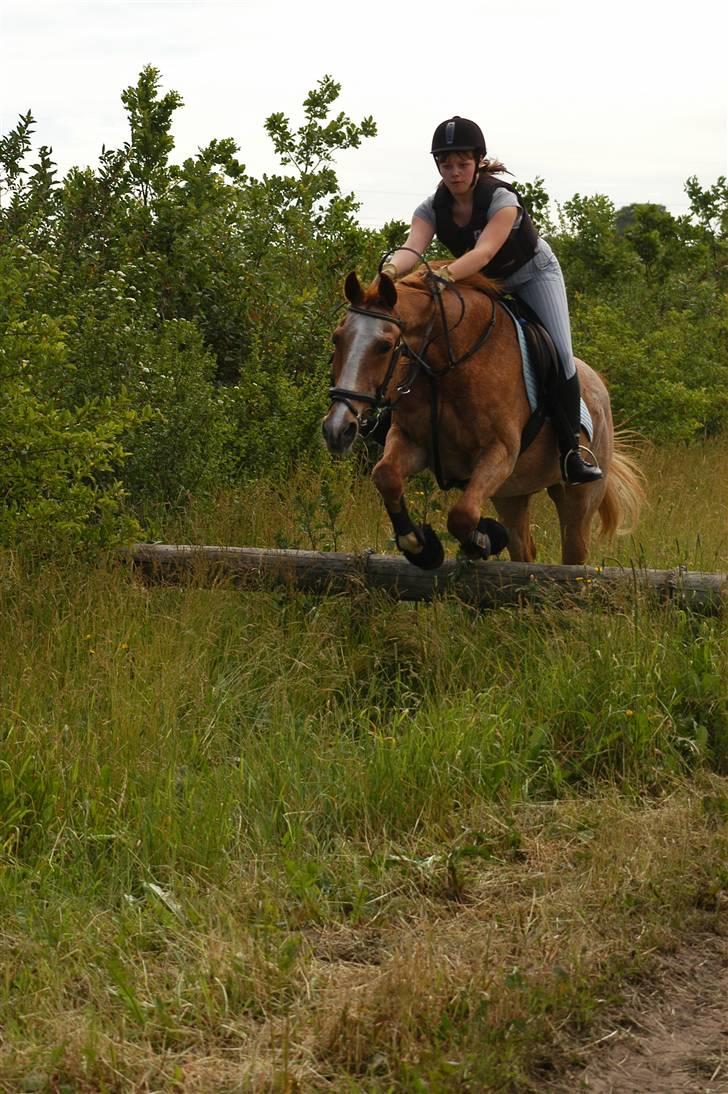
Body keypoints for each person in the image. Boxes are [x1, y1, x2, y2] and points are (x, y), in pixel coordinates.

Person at [381, 116, 602, 485]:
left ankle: (570, 452)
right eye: (445, 164)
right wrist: (388, 270)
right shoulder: (430, 208)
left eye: (462, 164)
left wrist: (446, 274)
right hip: (483, 279)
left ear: (478, 162)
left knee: (561, 354)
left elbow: (483, 253)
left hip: (532, 274)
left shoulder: (502, 199)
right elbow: (412, 249)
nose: (454, 172)